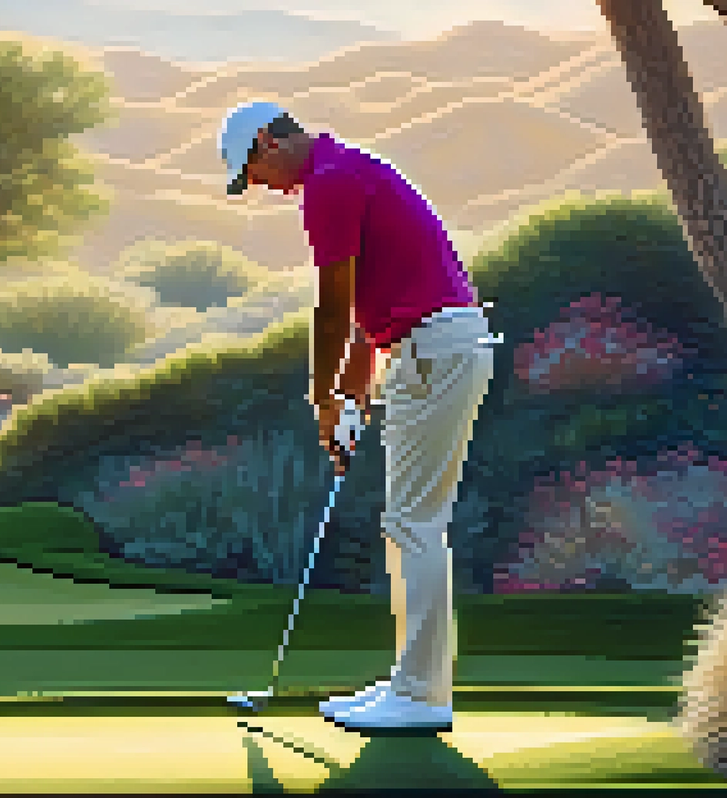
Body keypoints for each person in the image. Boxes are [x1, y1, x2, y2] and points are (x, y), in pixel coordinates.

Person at [218, 100, 499, 730]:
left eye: (253, 172)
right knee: (407, 523)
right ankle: (410, 683)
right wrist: (355, 392)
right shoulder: (348, 170)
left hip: (434, 351)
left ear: (266, 140)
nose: (260, 186)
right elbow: (377, 306)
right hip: (430, 347)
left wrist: (323, 401)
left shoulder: (327, 186)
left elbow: (334, 304)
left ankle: (422, 696)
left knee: (416, 524)